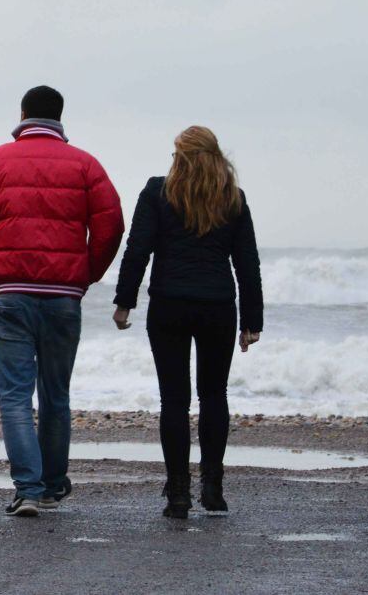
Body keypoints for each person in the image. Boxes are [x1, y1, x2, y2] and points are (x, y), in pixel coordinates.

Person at [0, 85, 124, 516]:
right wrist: (85, 274)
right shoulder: (86, 164)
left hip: (11, 294)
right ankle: (51, 486)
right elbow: (111, 226)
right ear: (59, 117)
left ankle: (28, 490)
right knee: (56, 393)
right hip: (63, 296)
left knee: (15, 395)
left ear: (23, 113)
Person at [112, 126, 263, 519]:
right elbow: (247, 263)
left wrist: (124, 302)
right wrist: (252, 321)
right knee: (214, 394)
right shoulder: (232, 197)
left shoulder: (157, 192)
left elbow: (138, 249)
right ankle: (213, 491)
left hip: (169, 305)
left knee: (174, 400)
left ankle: (178, 493)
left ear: (180, 156)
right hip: (217, 306)